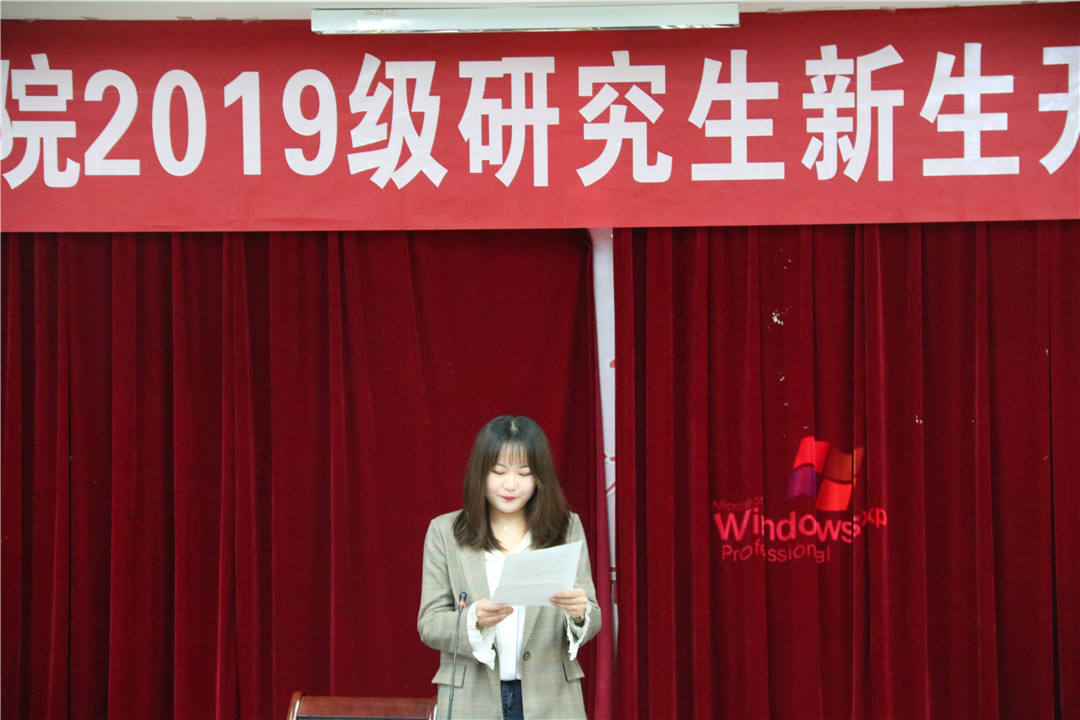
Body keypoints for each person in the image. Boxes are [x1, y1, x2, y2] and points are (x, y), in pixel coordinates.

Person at [418, 415, 602, 720]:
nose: (510, 485)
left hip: (551, 698)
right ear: (480, 472)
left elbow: (593, 616)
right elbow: (429, 623)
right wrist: (473, 620)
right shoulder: (445, 532)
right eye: (499, 471)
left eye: (524, 473)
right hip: (473, 699)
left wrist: (580, 612)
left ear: (540, 476)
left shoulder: (566, 527)